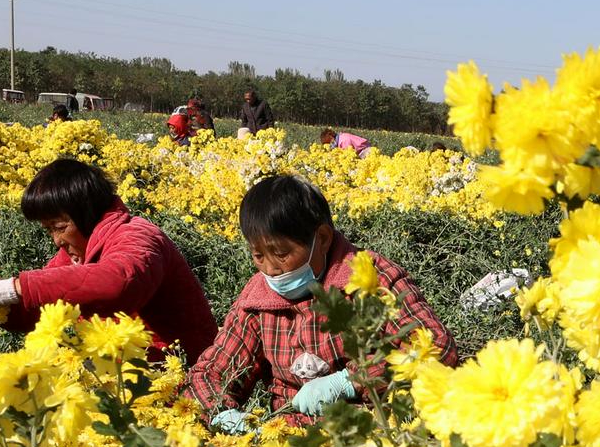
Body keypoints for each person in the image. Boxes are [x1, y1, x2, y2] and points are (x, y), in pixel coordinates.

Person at [186, 173, 456, 431]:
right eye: (258, 256)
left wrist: (351, 380)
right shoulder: (258, 300)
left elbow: (435, 346)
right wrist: (222, 414)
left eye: (281, 254)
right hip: (287, 436)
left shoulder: (370, 278)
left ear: (323, 239)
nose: (270, 269)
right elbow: (210, 373)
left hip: (373, 431)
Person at [0, 157, 218, 359]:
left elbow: (120, 283)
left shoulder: (138, 236)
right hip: (123, 375)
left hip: (182, 379)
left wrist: (13, 288)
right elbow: (47, 309)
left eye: (59, 227)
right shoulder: (76, 252)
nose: (56, 240)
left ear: (86, 212)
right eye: (49, 230)